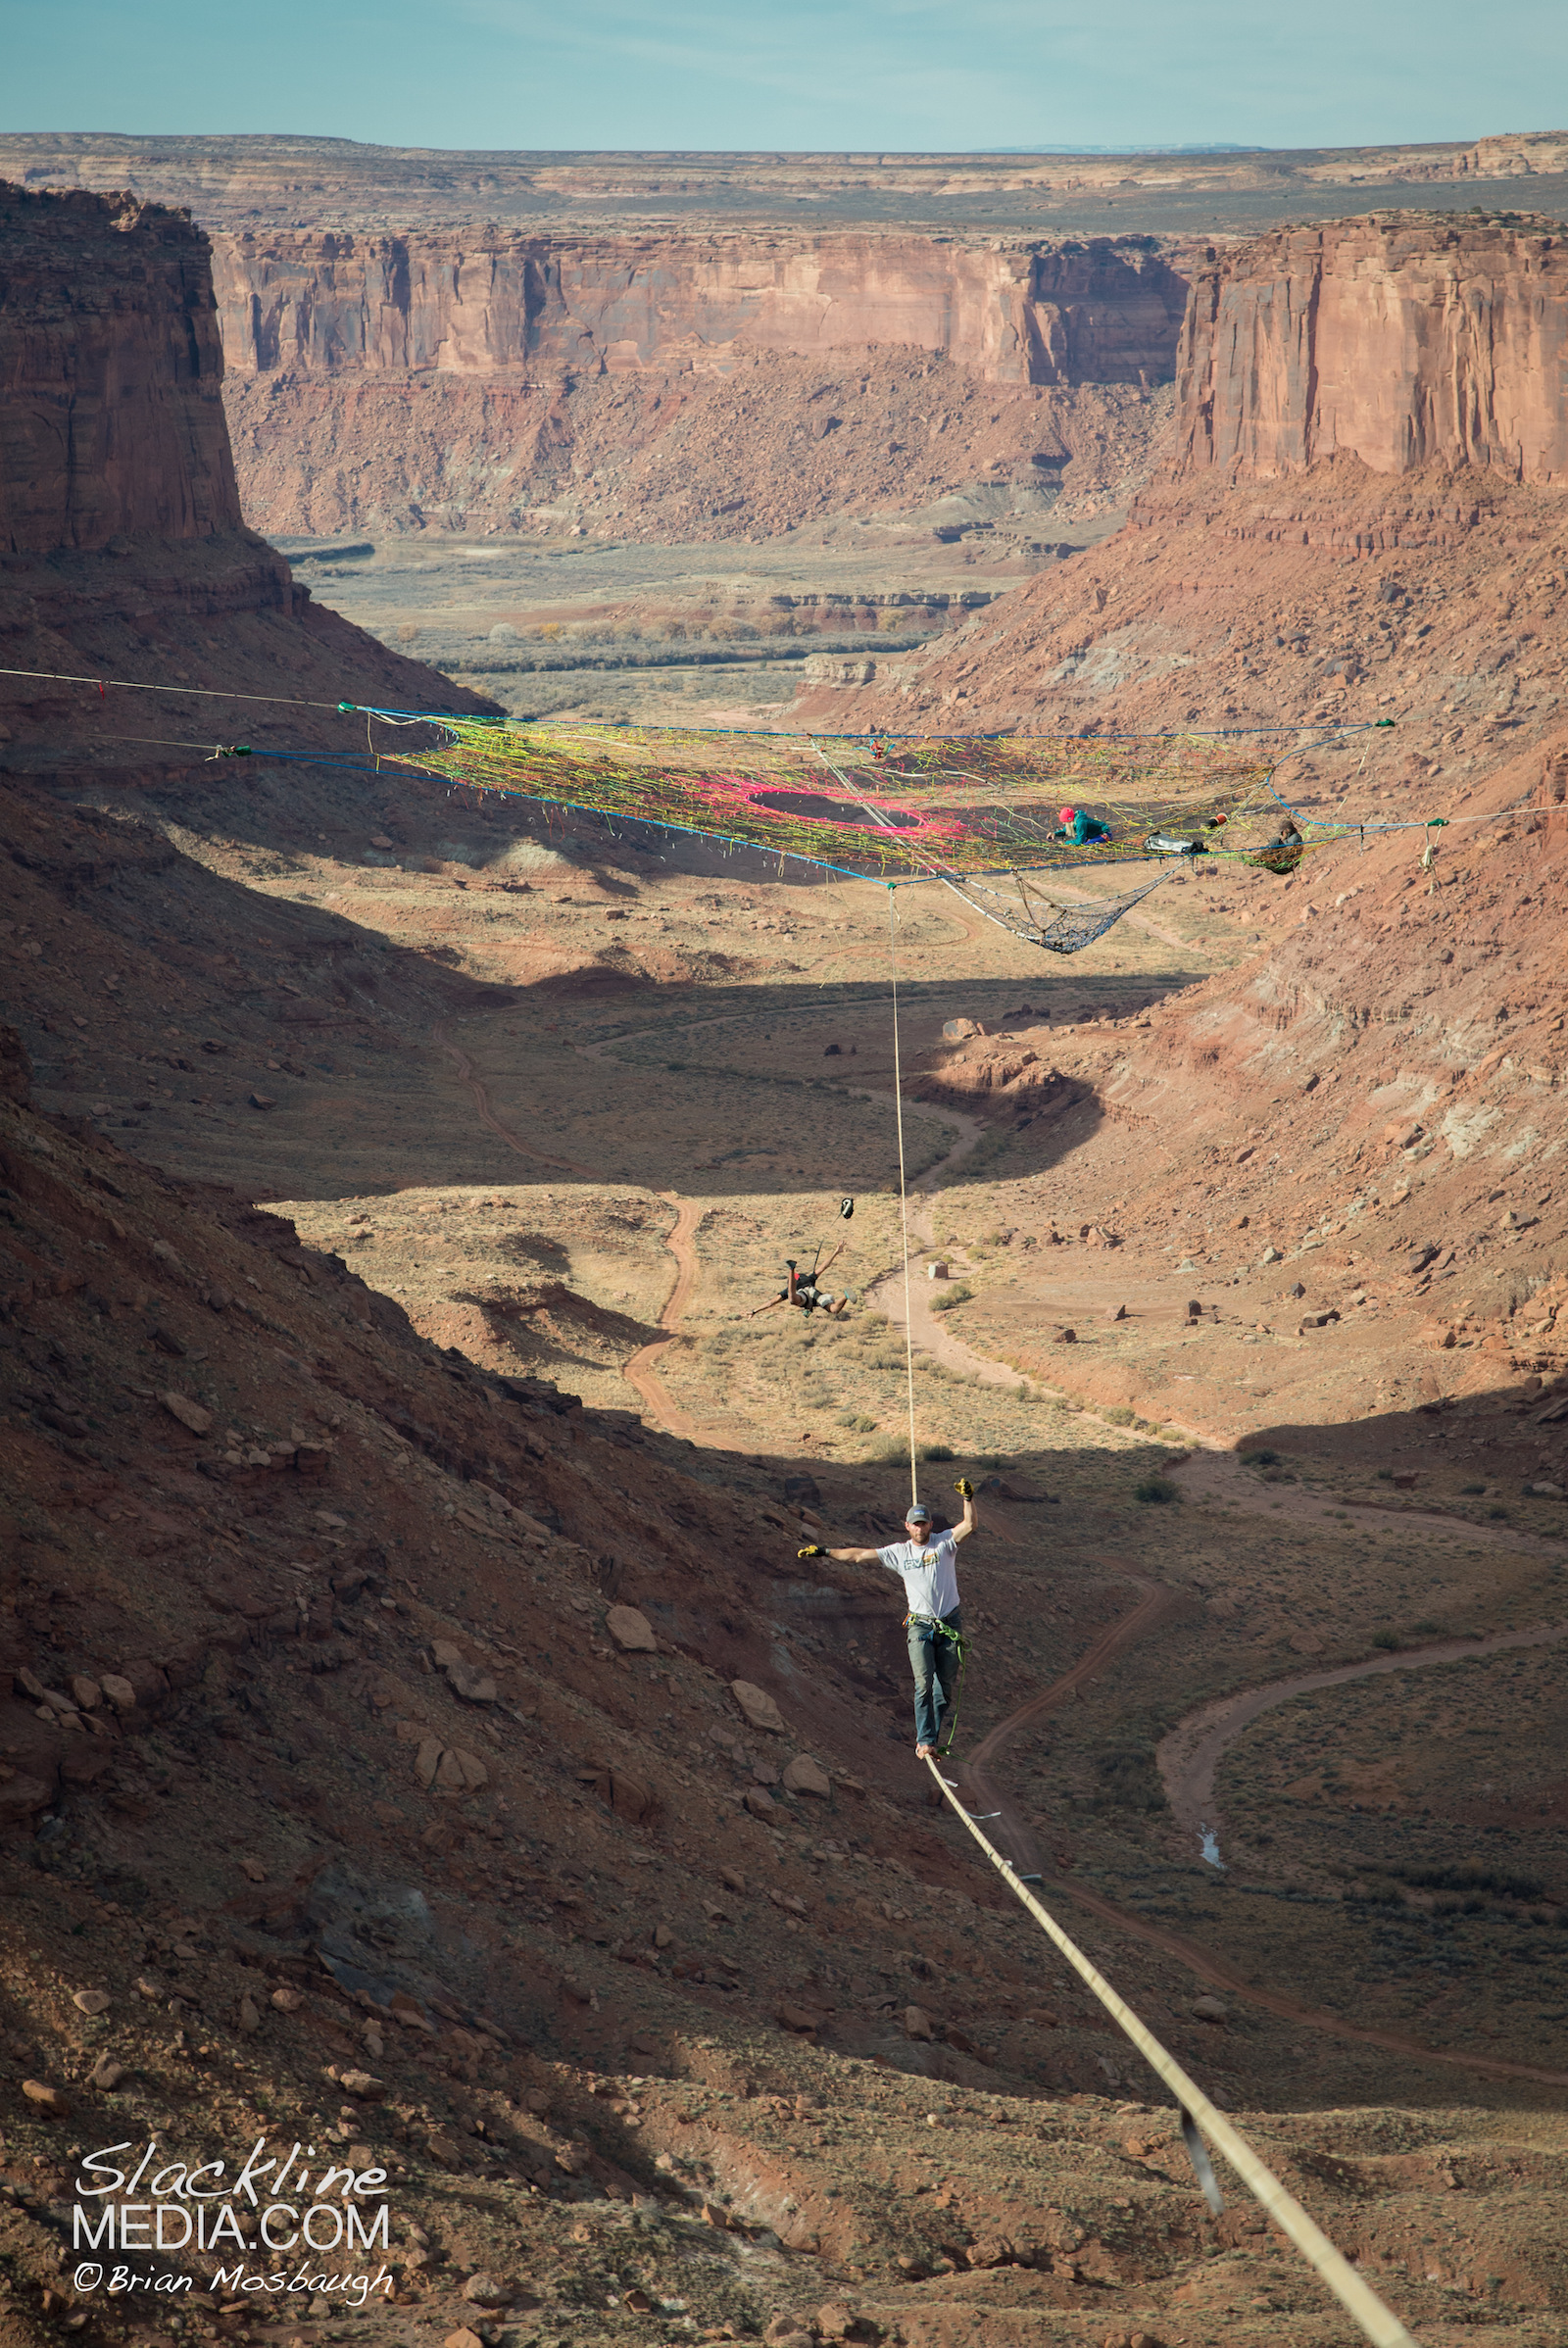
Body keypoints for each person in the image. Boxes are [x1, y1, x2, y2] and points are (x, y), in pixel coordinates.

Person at [798, 1480, 976, 1757]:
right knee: (923, 1683)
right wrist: (825, 1552)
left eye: (924, 1523)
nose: (919, 1528)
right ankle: (924, 1741)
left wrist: (968, 1498)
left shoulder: (944, 1544)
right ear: (907, 1526)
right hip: (920, 1626)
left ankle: (932, 1738)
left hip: (949, 1624)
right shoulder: (899, 1552)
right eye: (914, 1524)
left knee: (944, 1690)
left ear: (931, 1525)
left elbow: (969, 1525)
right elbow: (858, 1556)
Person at [752, 1250, 850, 1319]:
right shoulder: (809, 1278)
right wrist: (836, 1252)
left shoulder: (791, 1289)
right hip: (813, 1294)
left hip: (804, 1296)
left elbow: (771, 1303)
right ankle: (845, 1296)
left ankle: (791, 1269)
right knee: (834, 1309)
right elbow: (823, 1266)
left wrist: (755, 1311)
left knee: (792, 1299)